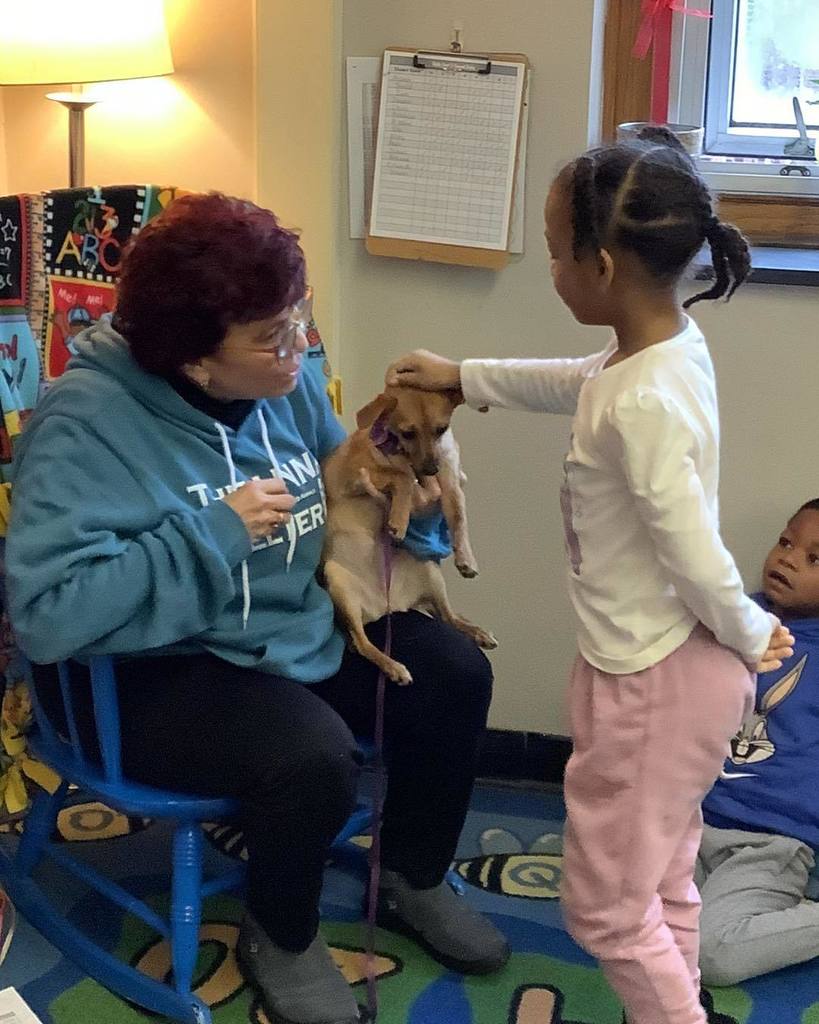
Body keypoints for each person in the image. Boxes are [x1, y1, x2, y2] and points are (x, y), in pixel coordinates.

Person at [5, 193, 509, 1024]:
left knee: (452, 674)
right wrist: (212, 536)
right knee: (311, 756)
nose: (300, 346)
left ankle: (410, 876)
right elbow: (51, 616)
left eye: (298, 319)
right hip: (142, 671)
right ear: (194, 360)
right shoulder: (83, 425)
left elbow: (342, 494)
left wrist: (414, 516)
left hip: (283, 632)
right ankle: (281, 932)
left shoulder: (289, 383)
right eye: (272, 337)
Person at [384, 127, 794, 1024]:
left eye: (552, 251)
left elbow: (689, 546)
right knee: (664, 872)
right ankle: (677, 1002)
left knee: (604, 909)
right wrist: (465, 374)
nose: (549, 267)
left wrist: (747, 626)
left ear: (600, 266)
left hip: (654, 683)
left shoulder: (641, 398)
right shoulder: (657, 352)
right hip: (666, 669)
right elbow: (576, 381)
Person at [696, 499, 819, 986]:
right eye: (786, 542)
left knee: (713, 955)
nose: (787, 559)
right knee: (623, 920)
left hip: (769, 841)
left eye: (815, 558)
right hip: (688, 820)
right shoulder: (731, 619)